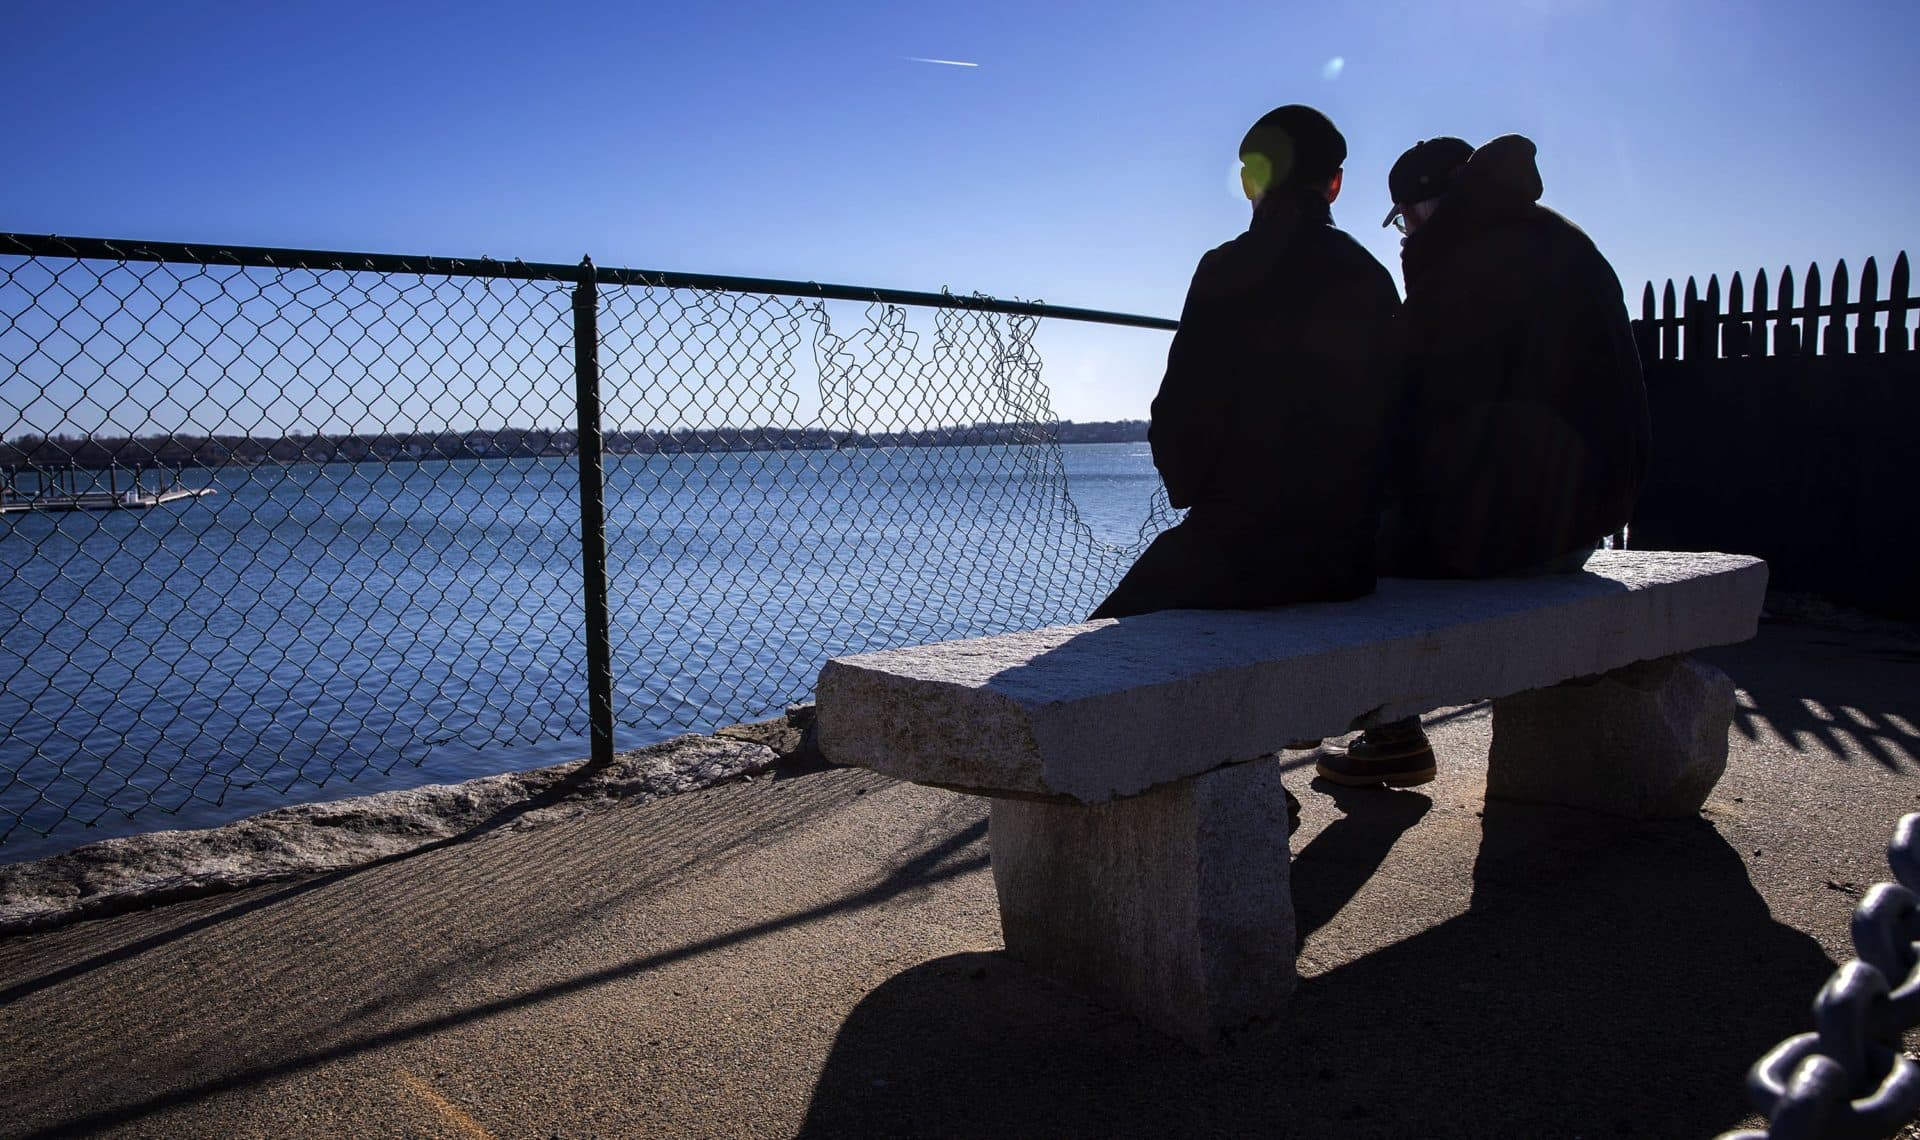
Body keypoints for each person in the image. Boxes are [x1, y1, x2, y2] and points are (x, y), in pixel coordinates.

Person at [1314, 133, 1652, 788]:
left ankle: (1369, 739)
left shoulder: (1463, 262)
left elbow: (1413, 412)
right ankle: (1391, 733)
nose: (1404, 236)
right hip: (1589, 514)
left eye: (1403, 220)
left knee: (1337, 549)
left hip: (1526, 530)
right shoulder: (1551, 237)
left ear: (1424, 206)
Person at [1088, 104, 1402, 623]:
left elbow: (1178, 415)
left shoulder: (1225, 270)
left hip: (1240, 549)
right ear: (1335, 185)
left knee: (1100, 648)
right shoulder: (1371, 276)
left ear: (1250, 180)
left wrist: (1200, 494)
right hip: (1346, 559)